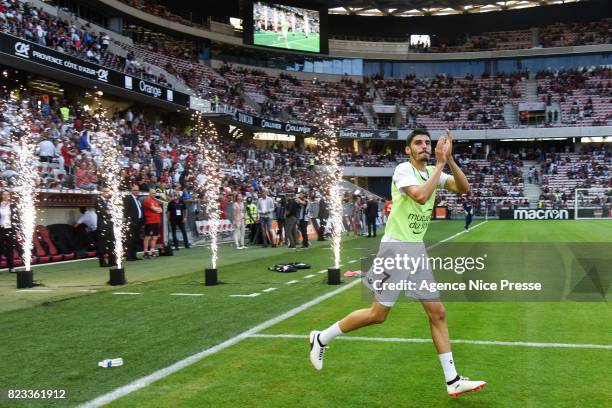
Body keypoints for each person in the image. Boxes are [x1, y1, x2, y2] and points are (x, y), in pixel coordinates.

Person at [308, 129, 486, 397]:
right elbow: (420, 196)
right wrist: (439, 164)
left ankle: (453, 380)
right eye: (418, 143)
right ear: (408, 150)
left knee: (437, 313)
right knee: (377, 315)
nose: (424, 146)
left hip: (416, 251)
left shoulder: (435, 172)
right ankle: (321, 337)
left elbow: (464, 188)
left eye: (427, 142)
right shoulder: (404, 170)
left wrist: (448, 160)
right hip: (395, 250)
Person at [95, 187, 115, 267]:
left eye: (108, 191)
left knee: (111, 244)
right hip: (102, 225)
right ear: (101, 192)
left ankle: (112, 261)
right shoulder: (98, 200)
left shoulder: (110, 201)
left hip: (110, 225)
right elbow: (104, 212)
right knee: (102, 245)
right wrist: (111, 213)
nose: (107, 193)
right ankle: (102, 262)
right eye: (105, 191)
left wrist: (111, 212)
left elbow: (113, 211)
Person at [124, 184, 144, 261]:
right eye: (135, 190)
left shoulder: (138, 199)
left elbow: (140, 210)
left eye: (137, 190)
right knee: (130, 240)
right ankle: (129, 256)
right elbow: (125, 211)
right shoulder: (128, 199)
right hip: (132, 223)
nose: (136, 191)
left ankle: (134, 255)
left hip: (138, 222)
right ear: (131, 191)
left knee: (136, 239)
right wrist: (129, 221)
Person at [0, 191, 19, 273]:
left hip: (10, 229)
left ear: (9, 196)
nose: (5, 196)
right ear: (1, 195)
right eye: (4, 194)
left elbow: (16, 218)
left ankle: (11, 267)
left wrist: (17, 230)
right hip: (1, 229)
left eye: (7, 194)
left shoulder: (13, 206)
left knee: (10, 249)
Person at [142, 188, 163, 259]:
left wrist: (157, 209)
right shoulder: (147, 200)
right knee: (147, 237)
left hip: (156, 221)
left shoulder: (155, 201)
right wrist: (157, 209)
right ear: (149, 193)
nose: (154, 194)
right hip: (150, 221)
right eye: (153, 193)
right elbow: (154, 209)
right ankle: (145, 252)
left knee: (155, 237)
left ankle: (152, 252)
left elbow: (161, 210)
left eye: (155, 193)